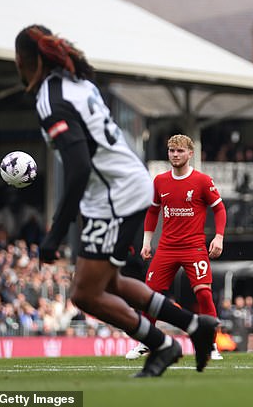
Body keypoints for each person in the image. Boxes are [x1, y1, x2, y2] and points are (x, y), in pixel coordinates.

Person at [14, 25, 217, 376]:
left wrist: (55, 233)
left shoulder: (50, 97)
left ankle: (163, 344)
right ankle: (196, 327)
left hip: (115, 194)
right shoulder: (79, 84)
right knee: (110, 284)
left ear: (28, 61)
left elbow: (77, 168)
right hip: (117, 188)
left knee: (85, 294)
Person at [125, 134, 226, 361]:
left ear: (190, 154)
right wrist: (146, 241)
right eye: (172, 151)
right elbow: (152, 211)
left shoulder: (202, 181)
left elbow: (219, 209)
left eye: (180, 151)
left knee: (204, 294)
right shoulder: (160, 181)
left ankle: (211, 345)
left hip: (194, 248)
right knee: (149, 297)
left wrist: (218, 237)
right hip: (167, 248)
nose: (175, 155)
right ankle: (146, 342)